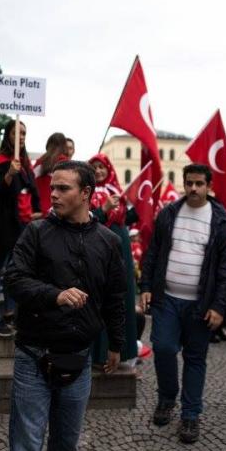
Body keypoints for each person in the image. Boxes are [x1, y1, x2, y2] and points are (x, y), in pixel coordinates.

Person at [3, 160, 126, 451]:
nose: (53, 194)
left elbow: (115, 297)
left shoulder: (108, 241)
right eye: (52, 187)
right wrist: (54, 295)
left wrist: (116, 343)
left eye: (63, 188)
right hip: (33, 355)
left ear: (85, 193)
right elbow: (14, 280)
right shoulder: (36, 232)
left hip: (78, 358)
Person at [139, 164, 226, 444]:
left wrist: (220, 306)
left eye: (199, 184)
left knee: (195, 359)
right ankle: (167, 398)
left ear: (209, 186)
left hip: (201, 304)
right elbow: (153, 251)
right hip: (167, 299)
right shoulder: (169, 213)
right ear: (183, 184)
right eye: (189, 183)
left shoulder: (221, 220)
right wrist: (146, 286)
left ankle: (191, 415)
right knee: (164, 348)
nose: (193, 188)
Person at [0, 120, 41, 337]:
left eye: (24, 133)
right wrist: (8, 174)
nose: (21, 137)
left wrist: (36, 211)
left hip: (21, 226)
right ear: (7, 135)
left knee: (15, 271)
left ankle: (10, 313)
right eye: (16, 132)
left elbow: (31, 192)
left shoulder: (25, 164)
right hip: (1, 225)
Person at [88, 153, 138, 367]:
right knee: (97, 297)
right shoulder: (85, 192)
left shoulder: (117, 191)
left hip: (120, 247)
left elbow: (128, 218)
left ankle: (120, 350)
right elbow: (87, 221)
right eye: (94, 167)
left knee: (120, 296)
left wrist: (142, 204)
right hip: (97, 247)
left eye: (102, 167)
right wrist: (104, 209)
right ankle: (96, 353)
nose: (99, 171)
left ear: (109, 168)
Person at [33, 132, 69, 215]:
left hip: (36, 211)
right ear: (64, 146)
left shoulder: (38, 162)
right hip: (55, 211)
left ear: (48, 144)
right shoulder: (65, 162)